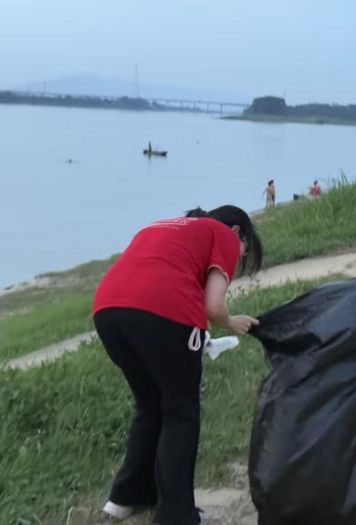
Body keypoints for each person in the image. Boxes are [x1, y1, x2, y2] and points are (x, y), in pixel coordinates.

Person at [92, 205, 263, 524]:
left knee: (149, 404)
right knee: (181, 411)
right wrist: (230, 322)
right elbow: (214, 305)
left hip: (107, 310)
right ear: (237, 231)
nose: (239, 257)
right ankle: (175, 515)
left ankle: (127, 497)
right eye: (244, 251)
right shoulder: (224, 234)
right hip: (162, 312)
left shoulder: (165, 226)